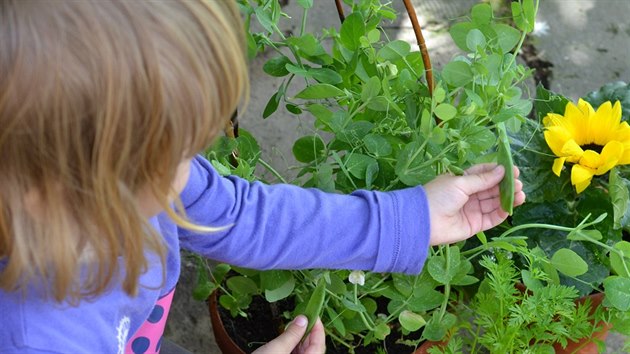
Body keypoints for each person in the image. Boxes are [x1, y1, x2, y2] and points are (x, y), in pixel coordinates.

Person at [0, 1, 525, 354]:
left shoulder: (119, 183)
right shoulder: (39, 336)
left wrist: (409, 219)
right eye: (171, 157)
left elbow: (240, 215)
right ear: (43, 190)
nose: (192, 173)